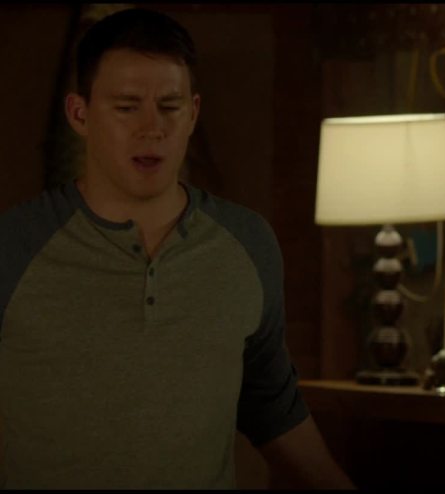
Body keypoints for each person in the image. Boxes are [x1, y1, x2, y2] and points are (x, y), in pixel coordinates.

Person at [0, 8, 353, 489]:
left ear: (193, 113)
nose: (153, 128)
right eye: (127, 107)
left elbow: (273, 406)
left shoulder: (246, 244)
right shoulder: (16, 245)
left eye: (169, 106)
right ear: (80, 114)